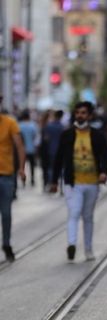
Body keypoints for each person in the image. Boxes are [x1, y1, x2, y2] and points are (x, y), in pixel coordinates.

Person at [50, 101, 107, 262]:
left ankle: (89, 250)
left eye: (83, 113)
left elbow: (106, 157)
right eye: (77, 113)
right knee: (74, 212)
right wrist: (54, 181)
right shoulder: (67, 134)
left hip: (92, 182)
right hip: (72, 182)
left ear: (89, 115)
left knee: (88, 216)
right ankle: (71, 244)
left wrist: (104, 172)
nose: (80, 115)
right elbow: (58, 158)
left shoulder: (98, 136)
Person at [0, 96, 26, 262]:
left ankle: (7, 243)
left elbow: (19, 146)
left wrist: (21, 168)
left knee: (6, 213)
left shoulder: (10, 123)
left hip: (6, 175)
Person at [44, 110, 64, 189]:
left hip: (51, 149)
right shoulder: (62, 127)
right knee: (61, 167)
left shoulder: (49, 126)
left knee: (51, 167)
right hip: (60, 150)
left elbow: (46, 138)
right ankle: (61, 185)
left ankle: (51, 183)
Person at [18, 110, 39, 186]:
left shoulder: (19, 125)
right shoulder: (33, 125)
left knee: (22, 165)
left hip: (22, 150)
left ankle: (23, 179)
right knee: (32, 165)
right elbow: (36, 137)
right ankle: (32, 179)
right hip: (31, 148)